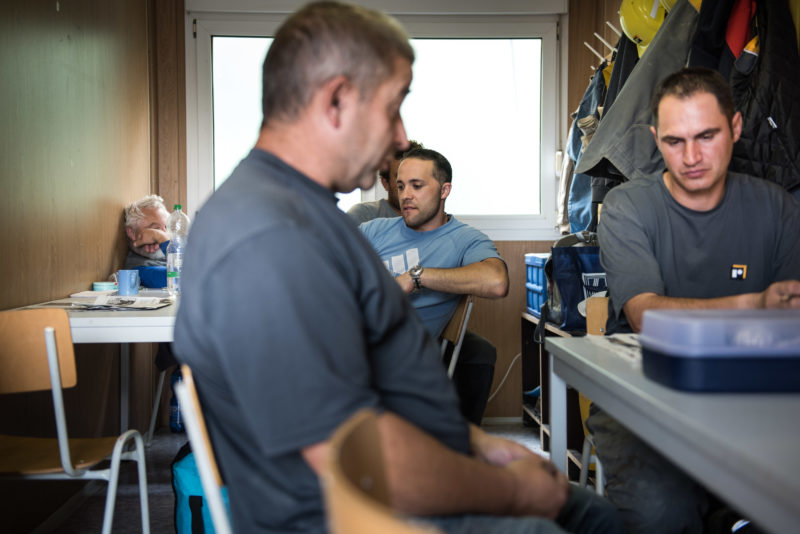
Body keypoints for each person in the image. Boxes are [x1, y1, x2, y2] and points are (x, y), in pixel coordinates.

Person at [173, 2, 622, 533]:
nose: (402, 136)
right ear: (336, 99)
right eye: (393, 107)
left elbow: (384, 380)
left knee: (591, 512)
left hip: (415, 460)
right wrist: (508, 488)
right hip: (364, 511)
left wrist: (487, 450)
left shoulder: (316, 218)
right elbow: (354, 463)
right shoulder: (266, 239)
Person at [591, 66, 800, 533]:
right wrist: (756, 304)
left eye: (706, 136)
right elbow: (647, 317)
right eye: (673, 141)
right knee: (662, 515)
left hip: (751, 393)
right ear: (654, 138)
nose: (691, 157)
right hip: (643, 396)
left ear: (737, 128)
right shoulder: (628, 206)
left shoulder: (778, 208)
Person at [360, 147, 507, 425]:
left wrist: (416, 277)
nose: (406, 195)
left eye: (417, 186)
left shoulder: (464, 239)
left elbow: (497, 282)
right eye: (401, 186)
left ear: (444, 190)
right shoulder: (374, 230)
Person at [347, 139, 423, 224]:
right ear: (385, 183)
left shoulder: (435, 221)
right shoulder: (364, 215)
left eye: (416, 177)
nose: (410, 186)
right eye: (401, 178)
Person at [123, 194, 170, 288]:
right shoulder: (139, 269)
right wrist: (164, 241)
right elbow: (187, 276)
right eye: (156, 229)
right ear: (131, 233)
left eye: (166, 227)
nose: (165, 234)